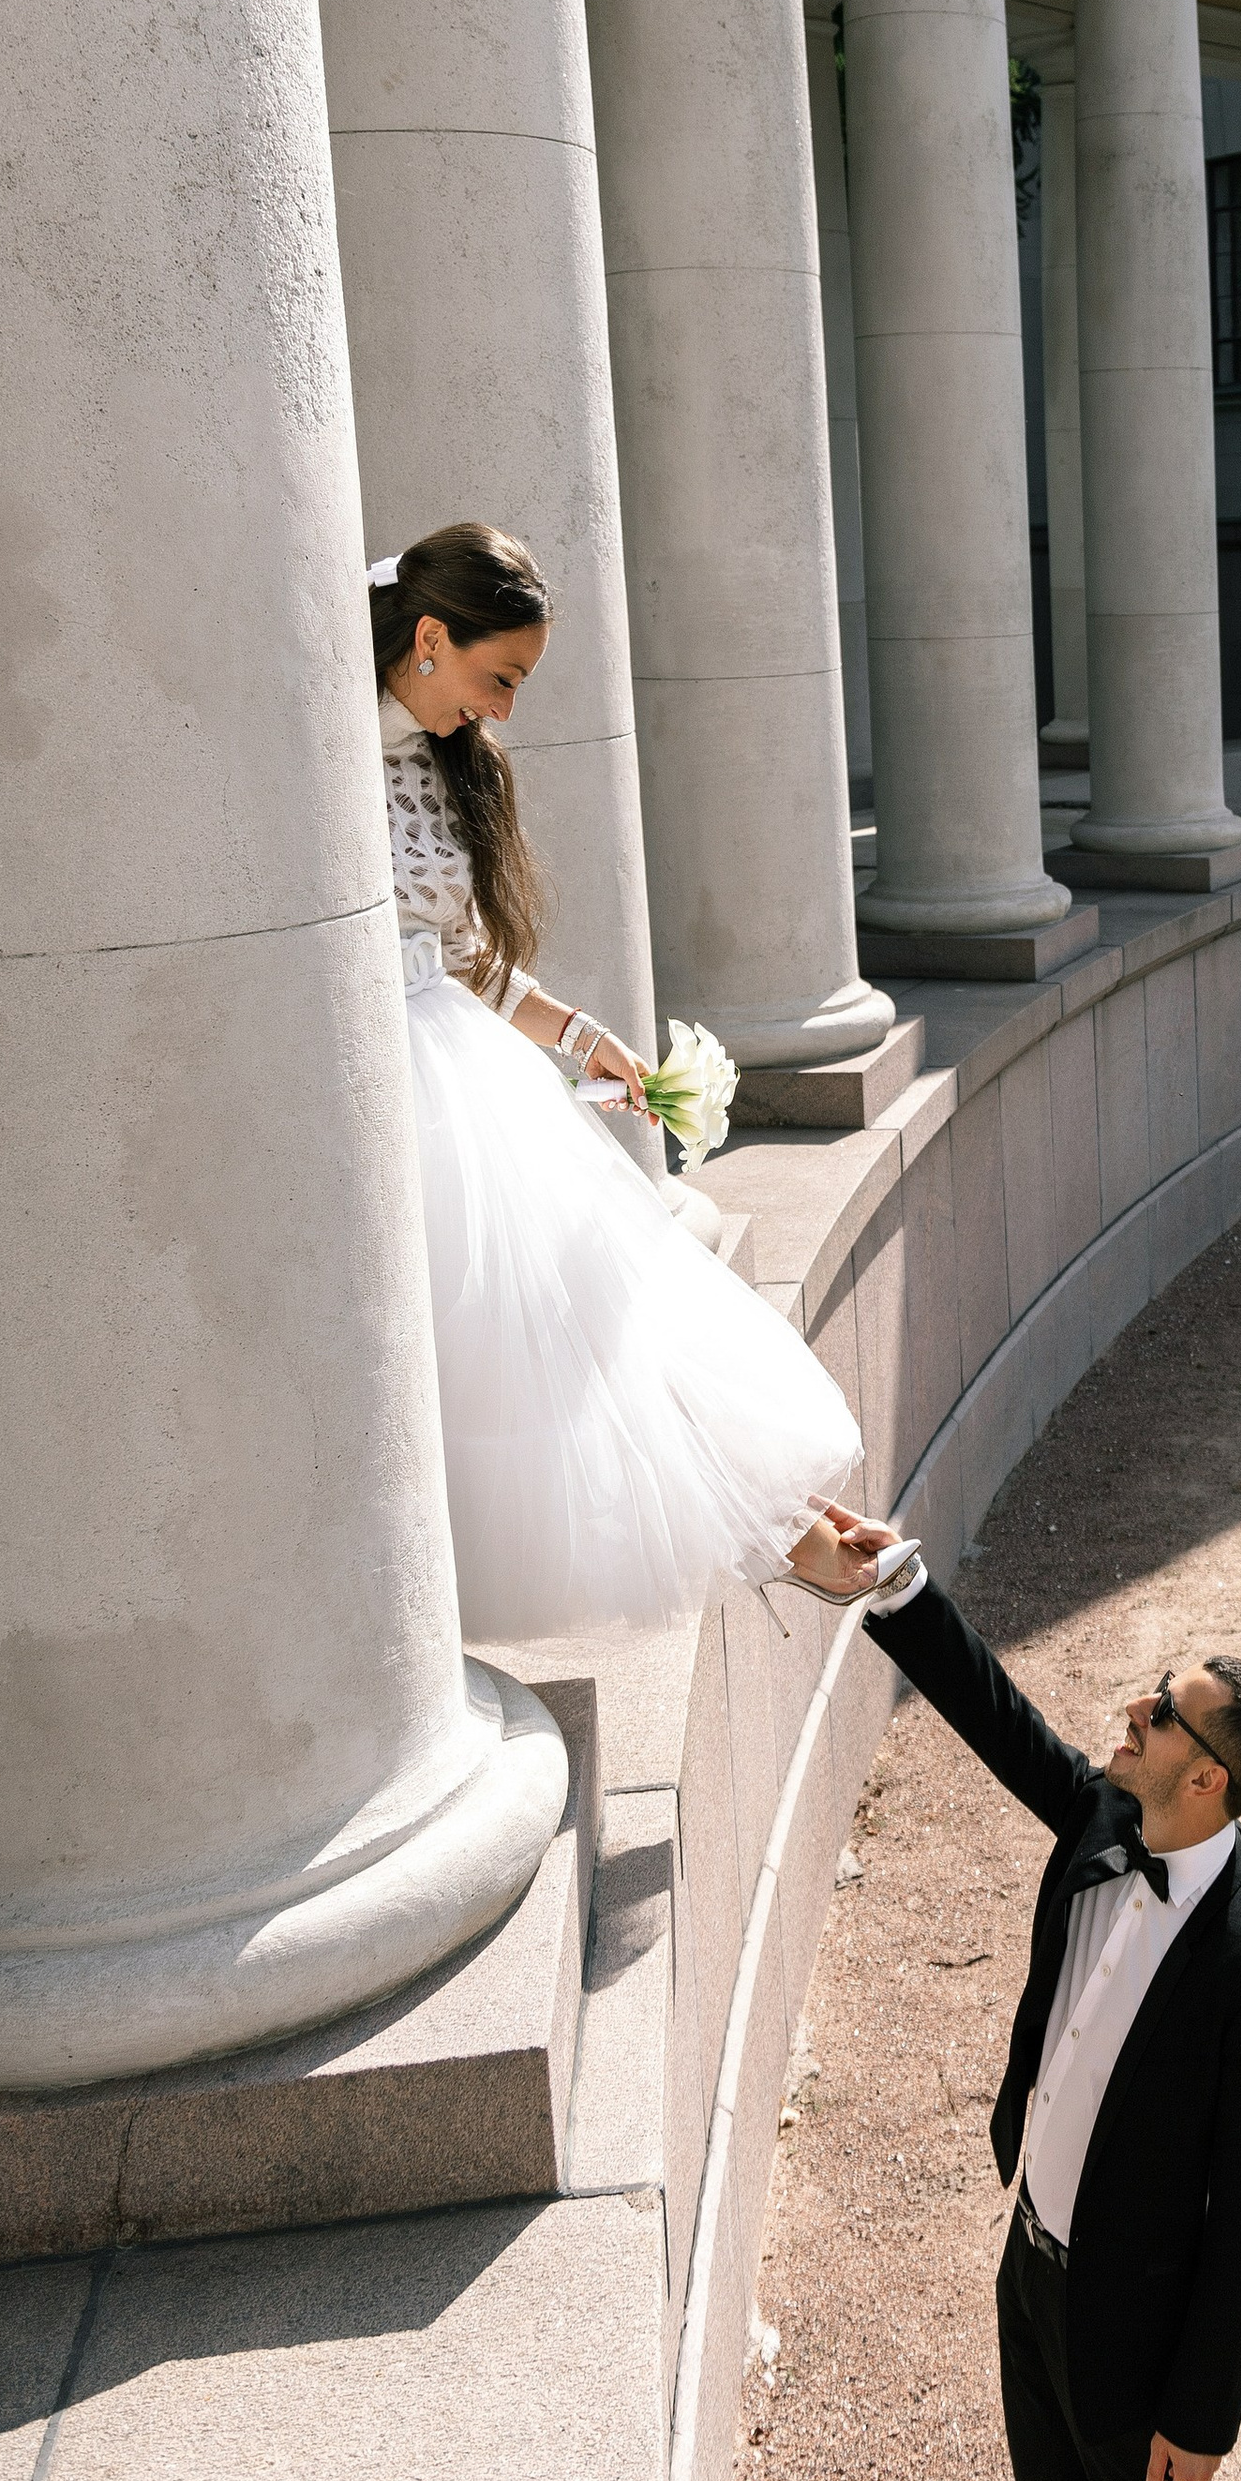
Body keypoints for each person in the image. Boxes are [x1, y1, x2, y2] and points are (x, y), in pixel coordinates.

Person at [831, 1543, 1241, 2481]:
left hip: (1137, 2305)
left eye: (1161, 1711)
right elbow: (1008, 1729)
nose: (1134, 1710)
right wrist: (895, 1589)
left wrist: (1203, 2414)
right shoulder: (1113, 1823)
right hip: (1035, 2253)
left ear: (1206, 1777)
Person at [369, 521, 899, 1642]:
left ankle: (789, 1533)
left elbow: (463, 957)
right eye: (497, 677)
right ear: (427, 637)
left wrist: (580, 1036)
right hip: (368, 1082)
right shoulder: (314, 751)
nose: (504, 710)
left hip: (451, 1069)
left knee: (594, 1317)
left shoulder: (443, 760)